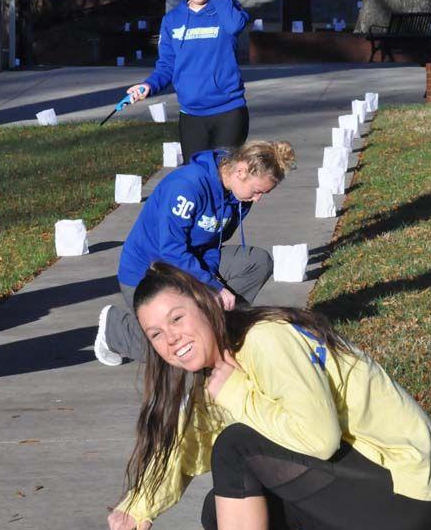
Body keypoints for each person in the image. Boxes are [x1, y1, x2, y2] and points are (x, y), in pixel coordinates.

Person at [107, 263, 431, 530]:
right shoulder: (223, 364)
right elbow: (191, 446)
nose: (172, 338)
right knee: (220, 514)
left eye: (177, 318)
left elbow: (319, 438)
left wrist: (237, 393)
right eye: (157, 334)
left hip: (406, 490)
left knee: (235, 447)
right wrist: (139, 508)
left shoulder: (264, 340)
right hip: (368, 485)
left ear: (208, 304)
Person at [94, 140, 294, 365]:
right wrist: (212, 287)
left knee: (256, 262)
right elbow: (169, 250)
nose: (258, 199)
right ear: (240, 171)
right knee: (177, 352)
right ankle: (116, 330)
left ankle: (218, 327)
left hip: (189, 263)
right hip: (147, 271)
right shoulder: (187, 186)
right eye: (257, 191)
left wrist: (205, 285)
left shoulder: (239, 198)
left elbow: (212, 243)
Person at [127, 0, 250, 162]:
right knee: (196, 178)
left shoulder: (227, 8)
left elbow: (235, 26)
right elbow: (167, 65)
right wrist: (148, 86)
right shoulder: (172, 20)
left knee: (224, 178)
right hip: (192, 115)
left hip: (228, 111)